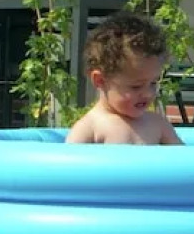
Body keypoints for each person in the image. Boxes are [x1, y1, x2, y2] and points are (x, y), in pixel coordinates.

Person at [65, 11, 183, 146]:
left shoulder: (158, 125)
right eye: (136, 86)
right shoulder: (90, 128)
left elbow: (185, 158)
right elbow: (70, 159)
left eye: (153, 83)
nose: (148, 94)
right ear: (100, 80)